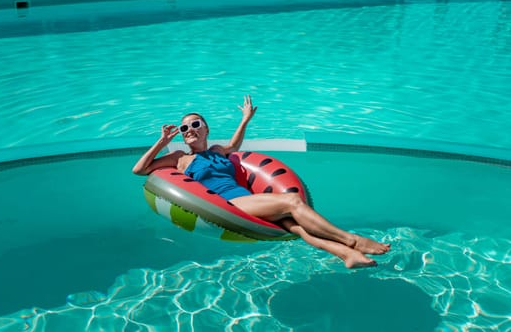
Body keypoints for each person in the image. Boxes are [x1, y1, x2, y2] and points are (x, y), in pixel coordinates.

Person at [133, 95, 390, 268]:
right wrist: (162, 142)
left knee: (295, 227)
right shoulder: (180, 159)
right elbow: (140, 170)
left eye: (195, 124)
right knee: (291, 201)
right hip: (230, 204)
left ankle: (346, 255)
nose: (189, 130)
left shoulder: (219, 151)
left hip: (249, 201)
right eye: (184, 128)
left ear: (206, 129)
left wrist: (245, 119)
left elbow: (235, 144)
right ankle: (352, 240)